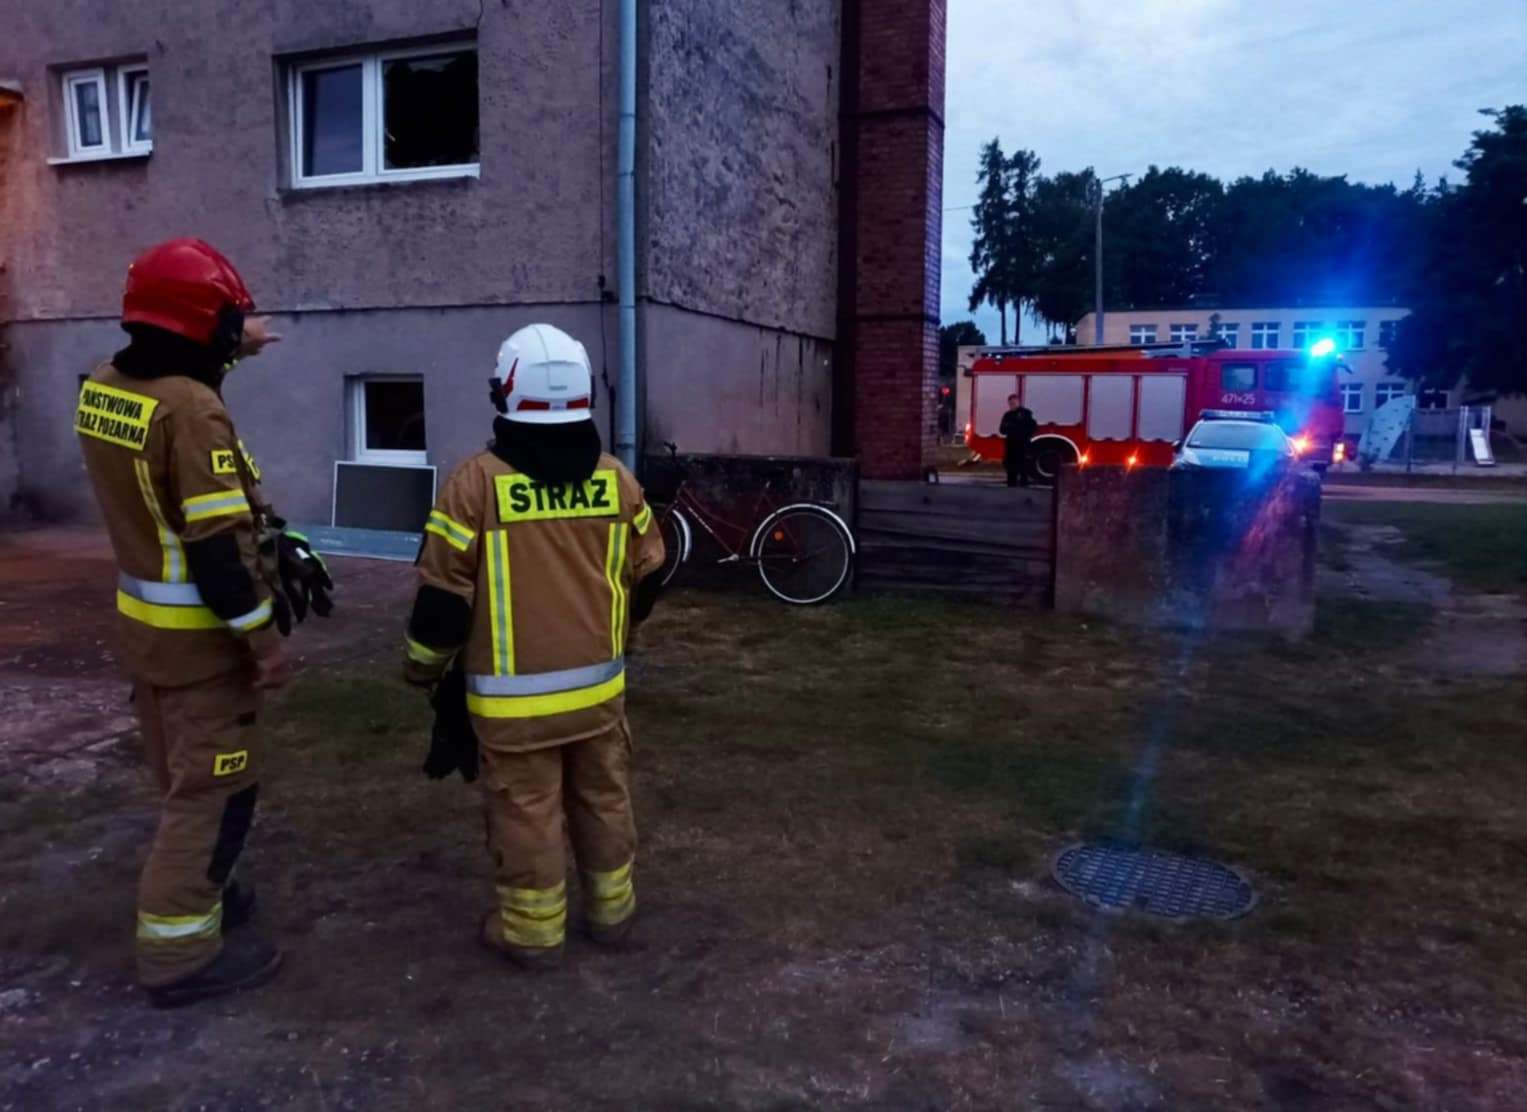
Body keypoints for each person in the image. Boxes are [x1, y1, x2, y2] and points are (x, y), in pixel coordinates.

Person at [76, 238, 330, 1007]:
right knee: (214, 793)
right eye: (227, 319)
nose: (237, 332)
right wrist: (265, 643)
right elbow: (219, 554)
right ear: (198, 326)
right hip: (202, 646)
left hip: (147, 637)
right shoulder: (193, 412)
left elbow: (175, 366)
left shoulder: (104, 384)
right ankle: (179, 953)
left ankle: (210, 892)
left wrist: (230, 343)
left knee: (178, 774)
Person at [402, 323, 666, 969]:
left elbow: (441, 606)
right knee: (604, 798)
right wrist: (623, 635)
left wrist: (421, 670)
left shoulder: (473, 486)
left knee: (527, 813)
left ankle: (532, 934)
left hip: (512, 709)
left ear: (504, 393)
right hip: (599, 697)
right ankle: (612, 914)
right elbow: (650, 573)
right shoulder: (617, 481)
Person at [999, 394, 1038, 487]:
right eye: (1010, 403)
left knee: (1023, 464)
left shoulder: (1026, 413)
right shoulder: (1007, 415)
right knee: (1010, 465)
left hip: (1022, 443)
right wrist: (1008, 428)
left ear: (1018, 402)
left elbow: (1033, 427)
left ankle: (1023, 483)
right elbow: (1001, 430)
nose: (1012, 405)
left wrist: (1024, 434)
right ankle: (1011, 483)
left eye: (1014, 403)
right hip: (1011, 444)